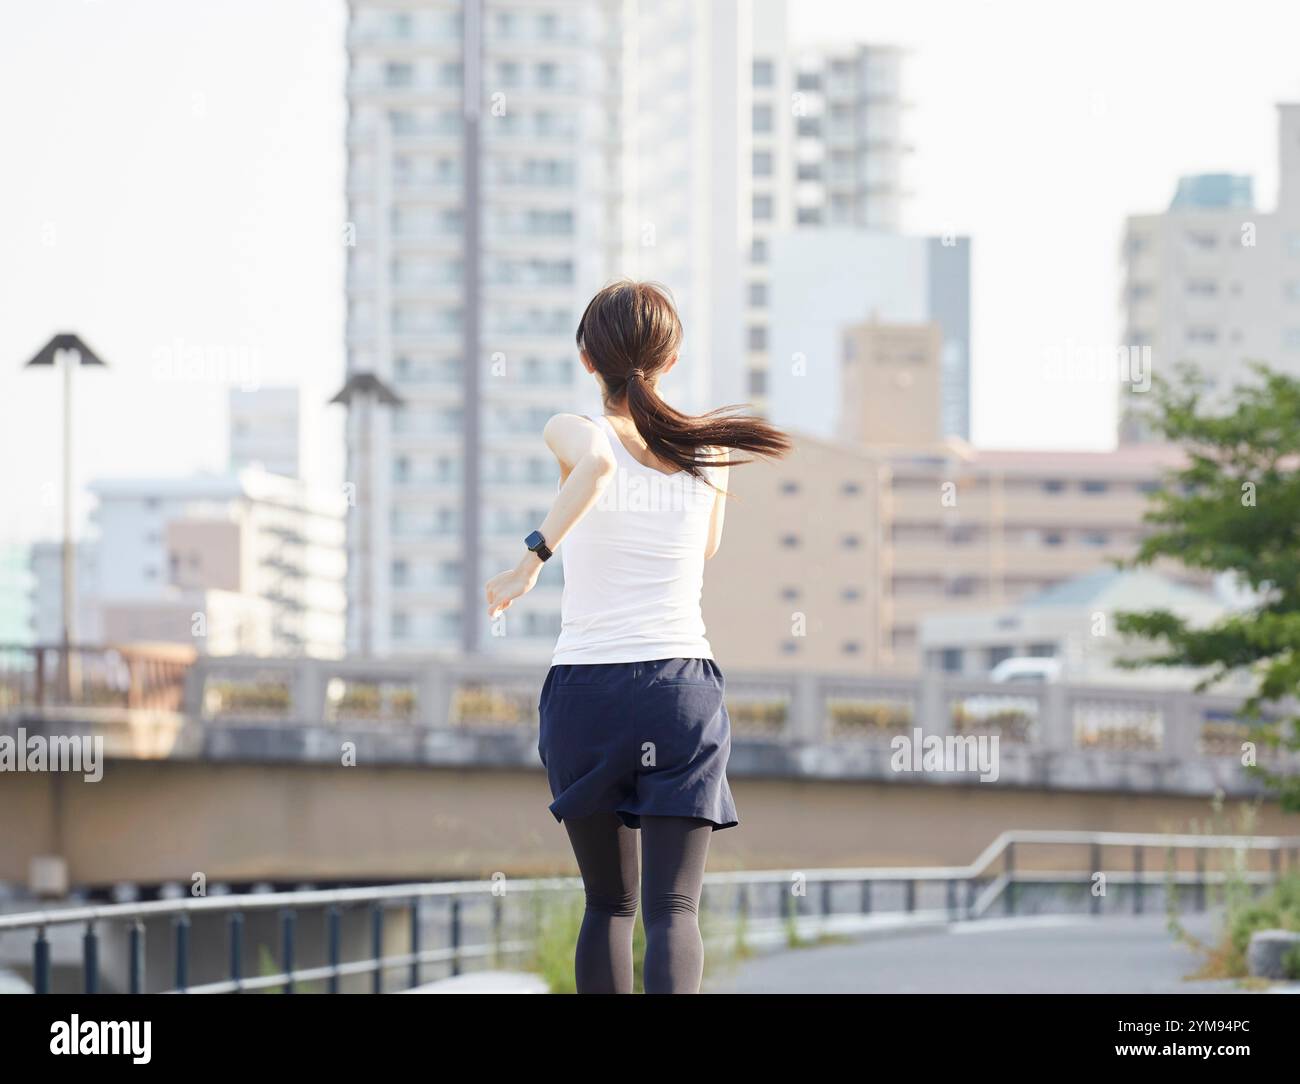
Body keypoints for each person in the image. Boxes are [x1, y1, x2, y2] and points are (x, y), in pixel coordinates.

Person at [484, 280, 791, 993]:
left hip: (588, 690)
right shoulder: (706, 453)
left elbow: (593, 466)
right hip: (679, 690)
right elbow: (706, 550)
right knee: (674, 908)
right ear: (672, 358)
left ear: (587, 358)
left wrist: (531, 560)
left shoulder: (577, 428)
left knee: (608, 905)